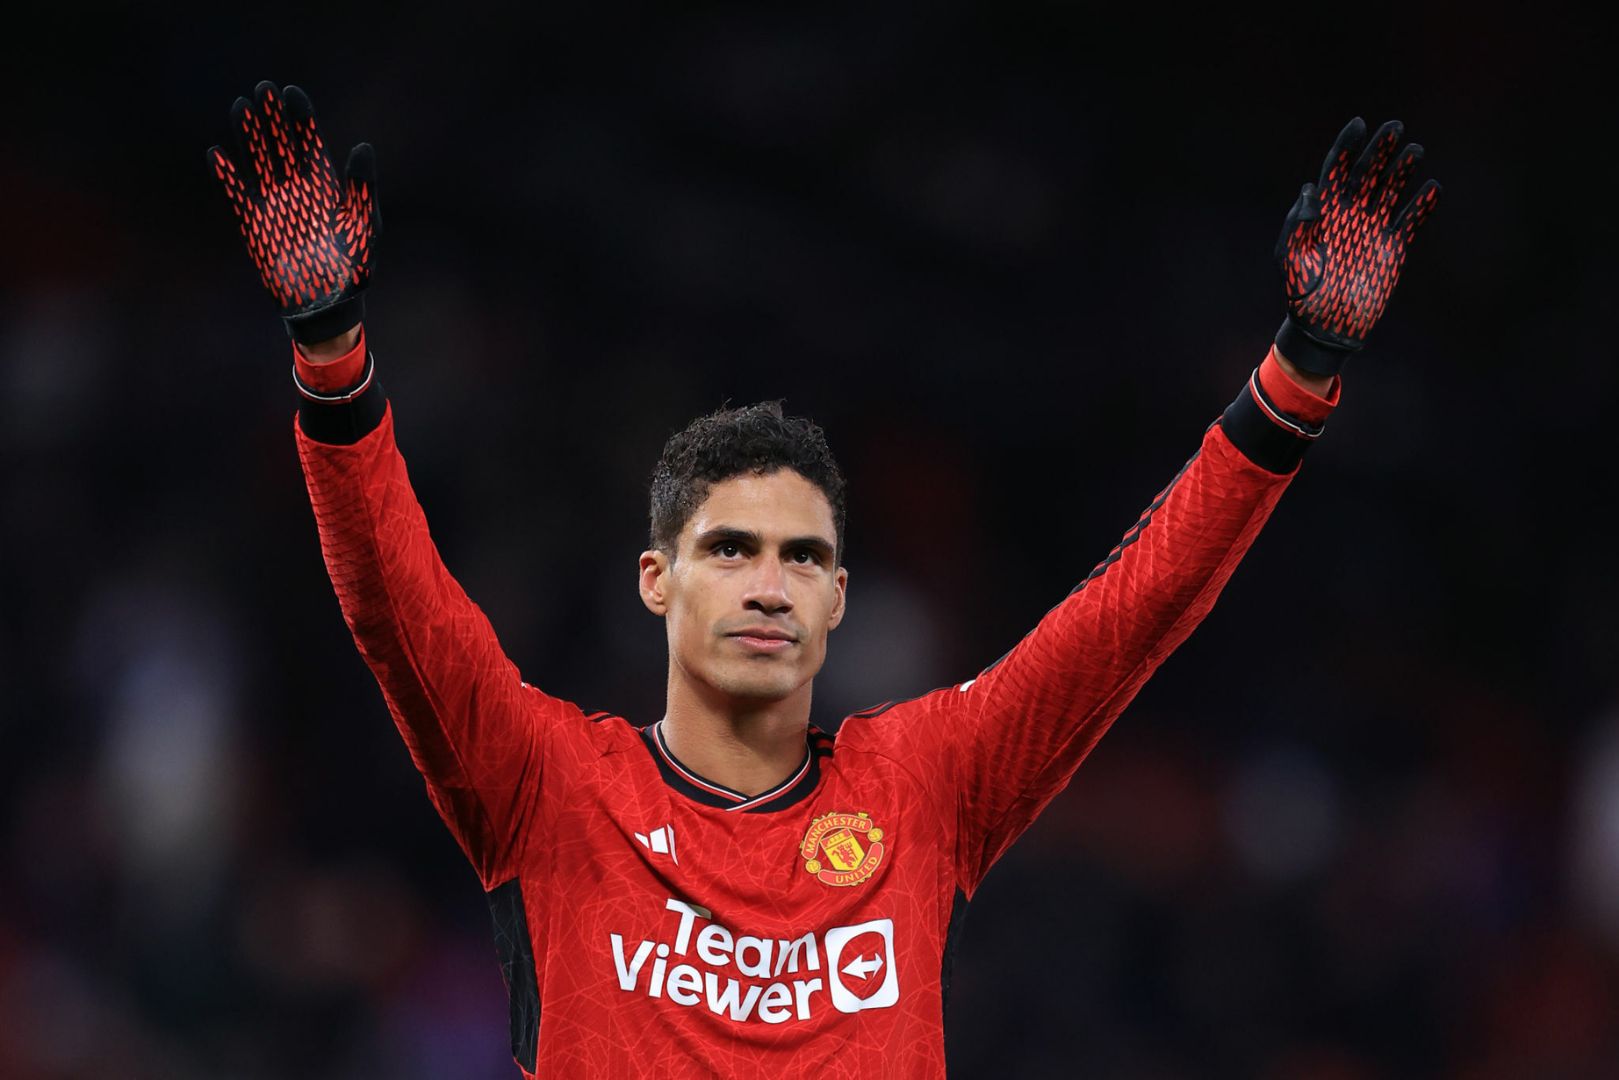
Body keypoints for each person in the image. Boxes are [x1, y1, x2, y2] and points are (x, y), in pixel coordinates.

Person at [209, 81, 1440, 1078]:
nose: (768, 583)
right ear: (656, 582)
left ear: (838, 601)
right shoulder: (547, 787)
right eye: (729, 549)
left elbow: (1132, 616)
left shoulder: (923, 785)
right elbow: (394, 606)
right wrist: (332, 355)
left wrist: (1291, 382)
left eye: (803, 556)